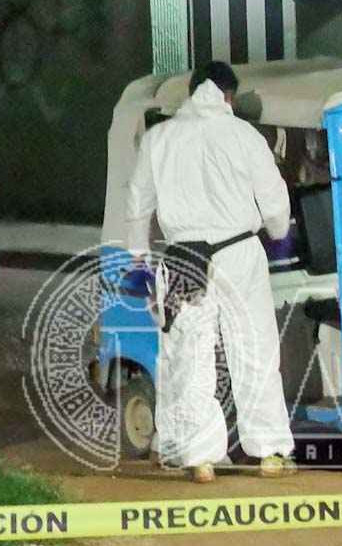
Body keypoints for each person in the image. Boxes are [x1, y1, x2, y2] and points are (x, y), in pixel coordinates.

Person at [125, 61, 296, 483]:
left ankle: (200, 458)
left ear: (192, 91)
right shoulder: (245, 136)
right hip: (239, 253)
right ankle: (269, 452)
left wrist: (138, 260)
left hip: (183, 257)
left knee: (189, 357)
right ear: (228, 96)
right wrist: (277, 233)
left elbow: (137, 205)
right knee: (254, 350)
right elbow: (275, 206)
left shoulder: (157, 139)